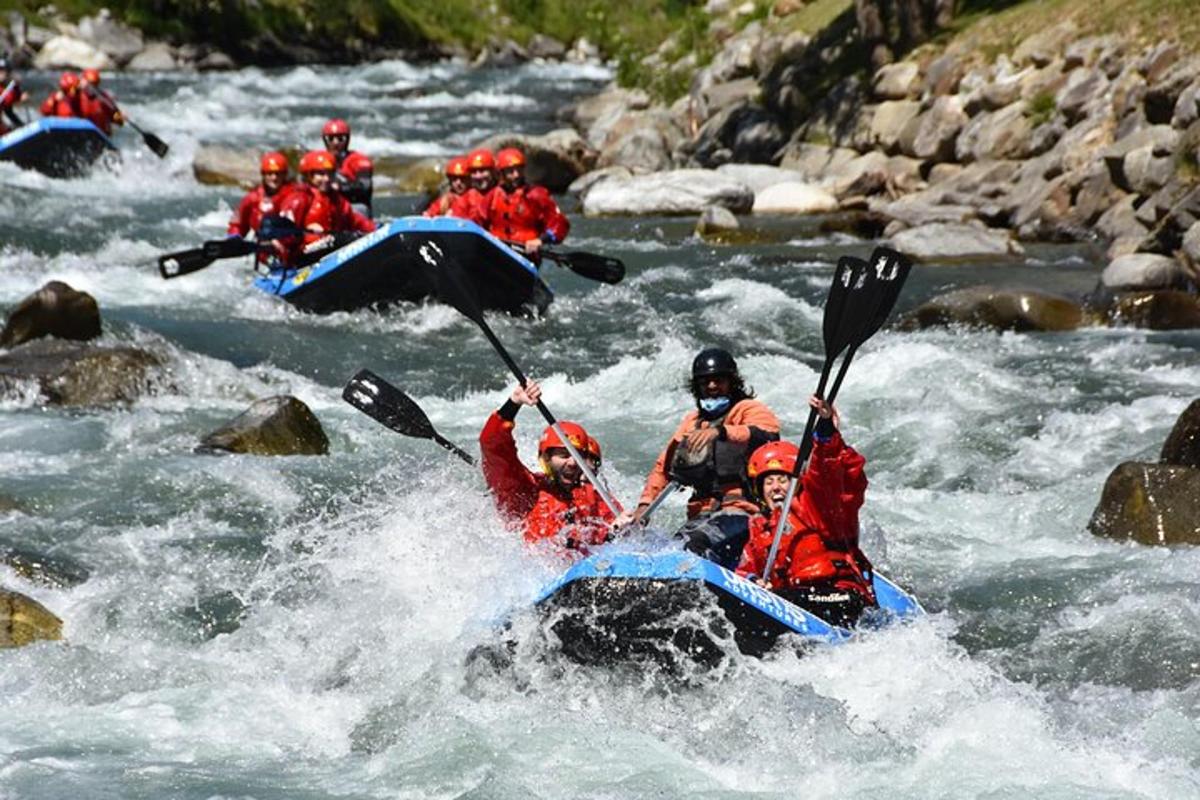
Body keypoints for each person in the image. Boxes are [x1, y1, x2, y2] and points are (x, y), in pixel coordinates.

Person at [621, 347, 780, 568]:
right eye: (705, 382)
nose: (712, 386)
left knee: (695, 544)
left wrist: (722, 432)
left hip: (743, 513)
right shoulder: (691, 422)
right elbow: (663, 468)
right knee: (673, 549)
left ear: (732, 382)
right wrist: (644, 506)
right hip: (701, 515)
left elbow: (767, 434)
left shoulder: (748, 409)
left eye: (718, 380)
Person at [735, 396, 876, 628]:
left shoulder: (817, 506)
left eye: (782, 480)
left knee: (782, 599)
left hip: (840, 595)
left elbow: (829, 473)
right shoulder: (761, 527)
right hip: (796, 601)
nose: (776, 488)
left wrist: (826, 431)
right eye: (768, 482)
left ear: (797, 483)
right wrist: (753, 582)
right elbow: (744, 570)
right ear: (759, 491)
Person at [480, 379, 615, 555]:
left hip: (581, 572)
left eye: (578, 456)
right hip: (539, 574)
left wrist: (622, 527)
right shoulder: (523, 488)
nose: (573, 462)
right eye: (564, 455)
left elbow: (617, 530)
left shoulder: (592, 496)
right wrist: (514, 403)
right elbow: (492, 444)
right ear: (546, 458)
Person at [277, 150, 376, 266]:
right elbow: (282, 233)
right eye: (321, 174)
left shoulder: (338, 200)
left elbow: (356, 221)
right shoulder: (299, 199)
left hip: (329, 250)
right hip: (301, 255)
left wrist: (377, 229)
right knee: (340, 239)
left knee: (353, 236)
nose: (327, 179)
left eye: (330, 174)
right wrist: (304, 234)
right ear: (309, 175)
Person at [488, 147, 569, 260]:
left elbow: (559, 223)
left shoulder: (536, 195)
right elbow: (477, 221)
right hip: (496, 253)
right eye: (510, 171)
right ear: (501, 174)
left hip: (526, 255)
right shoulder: (492, 196)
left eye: (518, 170)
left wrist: (541, 240)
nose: (516, 175)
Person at [227, 151, 296, 263]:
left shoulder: (295, 195)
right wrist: (235, 238)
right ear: (263, 175)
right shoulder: (251, 199)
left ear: (284, 175)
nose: (274, 178)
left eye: (278, 174)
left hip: (291, 249)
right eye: (270, 174)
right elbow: (237, 224)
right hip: (264, 254)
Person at [321, 118, 374, 218]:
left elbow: (365, 187)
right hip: (328, 207)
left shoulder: (358, 160)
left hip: (353, 207)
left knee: (359, 208)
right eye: (331, 139)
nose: (336, 143)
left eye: (341, 138)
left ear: (347, 140)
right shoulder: (319, 160)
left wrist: (339, 187)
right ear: (325, 140)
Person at [449, 147, 497, 226]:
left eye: (482, 171)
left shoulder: (502, 193)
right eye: (474, 172)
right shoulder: (466, 198)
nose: (478, 176)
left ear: (492, 171)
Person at [78, 68, 123, 136]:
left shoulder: (104, 99)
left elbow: (118, 119)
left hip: (99, 134)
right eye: (89, 84)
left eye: (94, 85)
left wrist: (119, 117)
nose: (91, 87)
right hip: (81, 133)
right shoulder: (75, 96)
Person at [0, 55, 29, 135]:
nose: (1, 73)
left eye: (3, 70)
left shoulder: (11, 88)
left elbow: (8, 110)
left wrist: (19, 97)